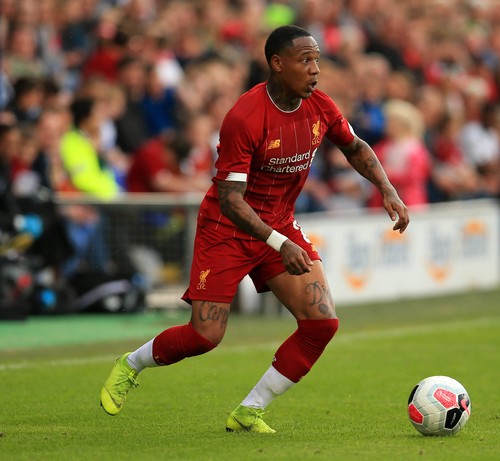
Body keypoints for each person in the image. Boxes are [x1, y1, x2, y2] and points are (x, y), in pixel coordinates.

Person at [99, 25, 409, 433]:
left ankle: (250, 409)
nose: (315, 69)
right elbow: (230, 198)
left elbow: (355, 146)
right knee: (205, 336)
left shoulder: (319, 105)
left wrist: (387, 189)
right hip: (226, 230)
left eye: (317, 59)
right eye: (305, 60)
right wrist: (280, 243)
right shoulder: (245, 117)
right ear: (277, 64)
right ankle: (131, 363)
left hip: (278, 224)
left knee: (322, 323)